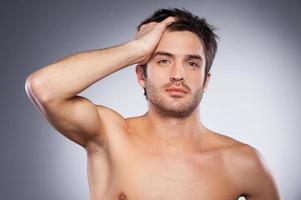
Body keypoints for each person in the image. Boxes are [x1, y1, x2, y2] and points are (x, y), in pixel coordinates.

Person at [25, 8, 281, 200]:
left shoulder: (243, 162)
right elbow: (43, 88)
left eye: (192, 63)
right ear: (140, 75)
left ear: (206, 81)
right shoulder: (109, 136)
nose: (178, 75)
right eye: (163, 60)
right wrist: (136, 48)